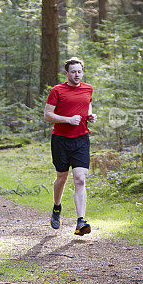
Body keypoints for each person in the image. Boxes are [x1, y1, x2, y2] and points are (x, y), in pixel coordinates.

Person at [44, 57, 96, 235]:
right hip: (60, 140)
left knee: (80, 178)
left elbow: (87, 105)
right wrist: (68, 119)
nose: (77, 75)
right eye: (73, 72)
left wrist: (89, 116)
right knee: (61, 177)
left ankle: (81, 221)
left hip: (81, 139)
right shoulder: (57, 90)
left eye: (79, 71)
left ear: (82, 72)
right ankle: (57, 206)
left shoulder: (88, 88)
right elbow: (47, 115)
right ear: (66, 73)